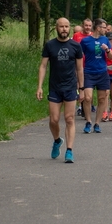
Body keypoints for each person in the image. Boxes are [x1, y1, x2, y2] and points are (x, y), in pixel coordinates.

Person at [37, 18, 84, 164]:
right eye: (61, 26)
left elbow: (80, 68)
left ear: (69, 28)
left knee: (69, 119)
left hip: (70, 87)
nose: (64, 29)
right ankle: (57, 140)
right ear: (56, 28)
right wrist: (39, 86)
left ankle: (69, 151)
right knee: (54, 120)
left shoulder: (75, 46)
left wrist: (81, 88)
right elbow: (43, 66)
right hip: (55, 88)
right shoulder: (50, 45)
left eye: (66, 26)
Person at [79, 18, 112, 134]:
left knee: (102, 99)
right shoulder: (85, 41)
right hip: (88, 72)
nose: (106, 30)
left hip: (102, 73)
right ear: (98, 28)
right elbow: (79, 56)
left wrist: (107, 49)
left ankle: (97, 123)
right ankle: (88, 121)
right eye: (104, 27)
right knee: (87, 98)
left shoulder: (105, 39)